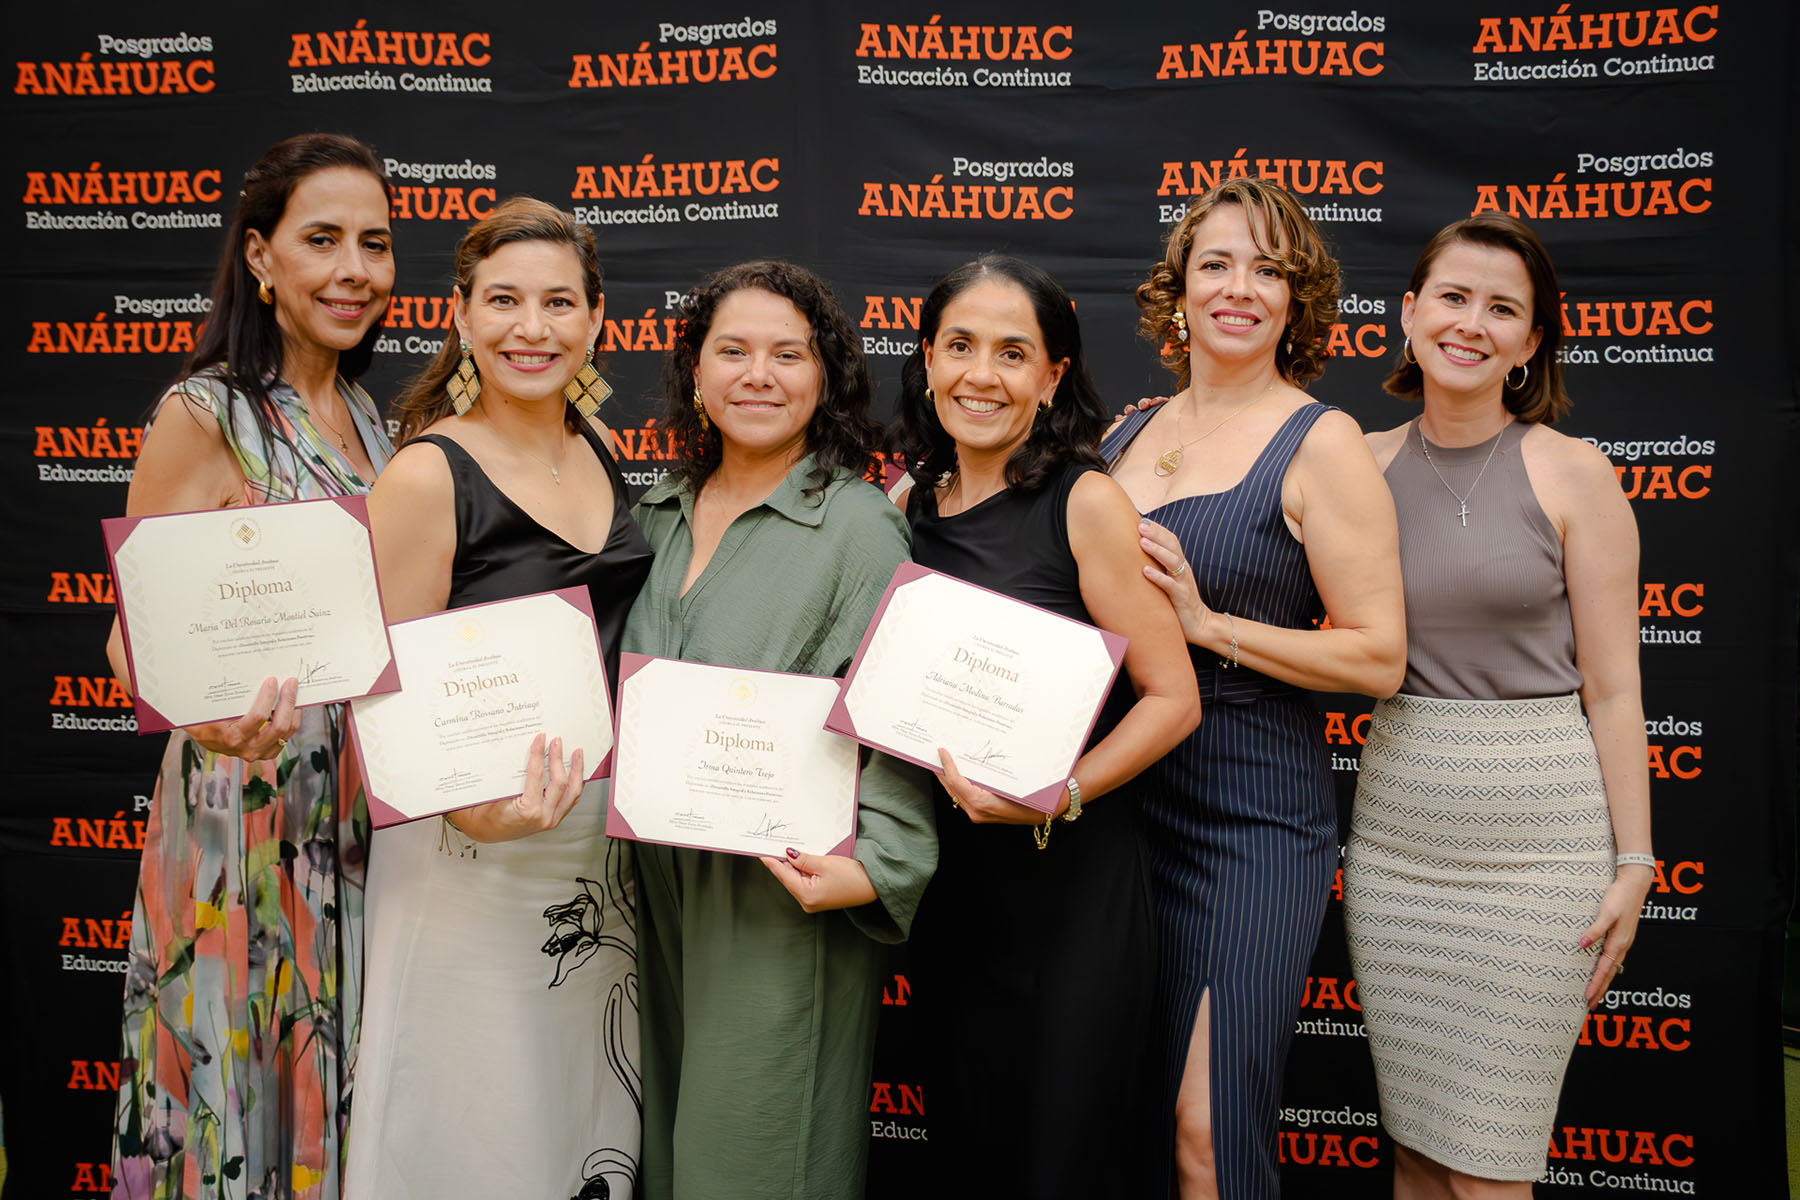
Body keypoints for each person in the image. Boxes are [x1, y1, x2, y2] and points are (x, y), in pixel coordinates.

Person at [1103, 177, 1407, 1198]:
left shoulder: (1321, 441)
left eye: (1268, 269)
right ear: (1177, 290)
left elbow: (1378, 657)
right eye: (1217, 263)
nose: (1241, 287)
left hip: (1248, 817)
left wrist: (1209, 627)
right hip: (1115, 804)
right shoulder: (1123, 432)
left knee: (1211, 1127)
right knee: (1125, 1116)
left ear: (1297, 299)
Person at [107, 132, 397, 1200]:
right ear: (262, 257)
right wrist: (207, 712)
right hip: (243, 808)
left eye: (375, 243)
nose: (353, 269)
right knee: (237, 1087)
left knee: (339, 1080)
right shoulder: (205, 412)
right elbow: (130, 631)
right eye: (321, 239)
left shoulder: (376, 423)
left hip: (356, 818)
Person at [348, 198, 652, 1200]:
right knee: (471, 1116)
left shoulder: (598, 445)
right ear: (463, 314)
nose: (534, 327)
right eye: (507, 301)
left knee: (570, 1118)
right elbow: (375, 691)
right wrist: (475, 813)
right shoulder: (428, 473)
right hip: (466, 849)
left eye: (560, 302)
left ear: (597, 316)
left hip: (589, 845)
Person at [1343, 213, 1652, 1198]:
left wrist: (1636, 863)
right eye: (1453, 296)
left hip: (1538, 859)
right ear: (1408, 314)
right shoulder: (1358, 463)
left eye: (1502, 308)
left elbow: (1612, 689)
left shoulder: (1575, 472)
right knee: (1420, 1155)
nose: (1471, 322)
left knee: (1489, 1168)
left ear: (1529, 343)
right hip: (1398, 852)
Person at [621, 260, 937, 1199]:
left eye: (787, 354)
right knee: (670, 1159)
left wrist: (879, 863)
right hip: (651, 888)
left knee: (754, 1161)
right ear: (695, 371)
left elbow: (892, 710)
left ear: (826, 375)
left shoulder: (856, 524)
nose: (758, 374)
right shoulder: (656, 514)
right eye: (734, 350)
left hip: (782, 887)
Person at [890, 254, 1201, 1197]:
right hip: (952, 889)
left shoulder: (1085, 501)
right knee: (970, 1145)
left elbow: (1172, 699)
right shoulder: (904, 505)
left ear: (1052, 374)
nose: (982, 375)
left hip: (1070, 889)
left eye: (1012, 352)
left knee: (1059, 1159)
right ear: (929, 362)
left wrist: (1058, 796)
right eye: (960, 347)